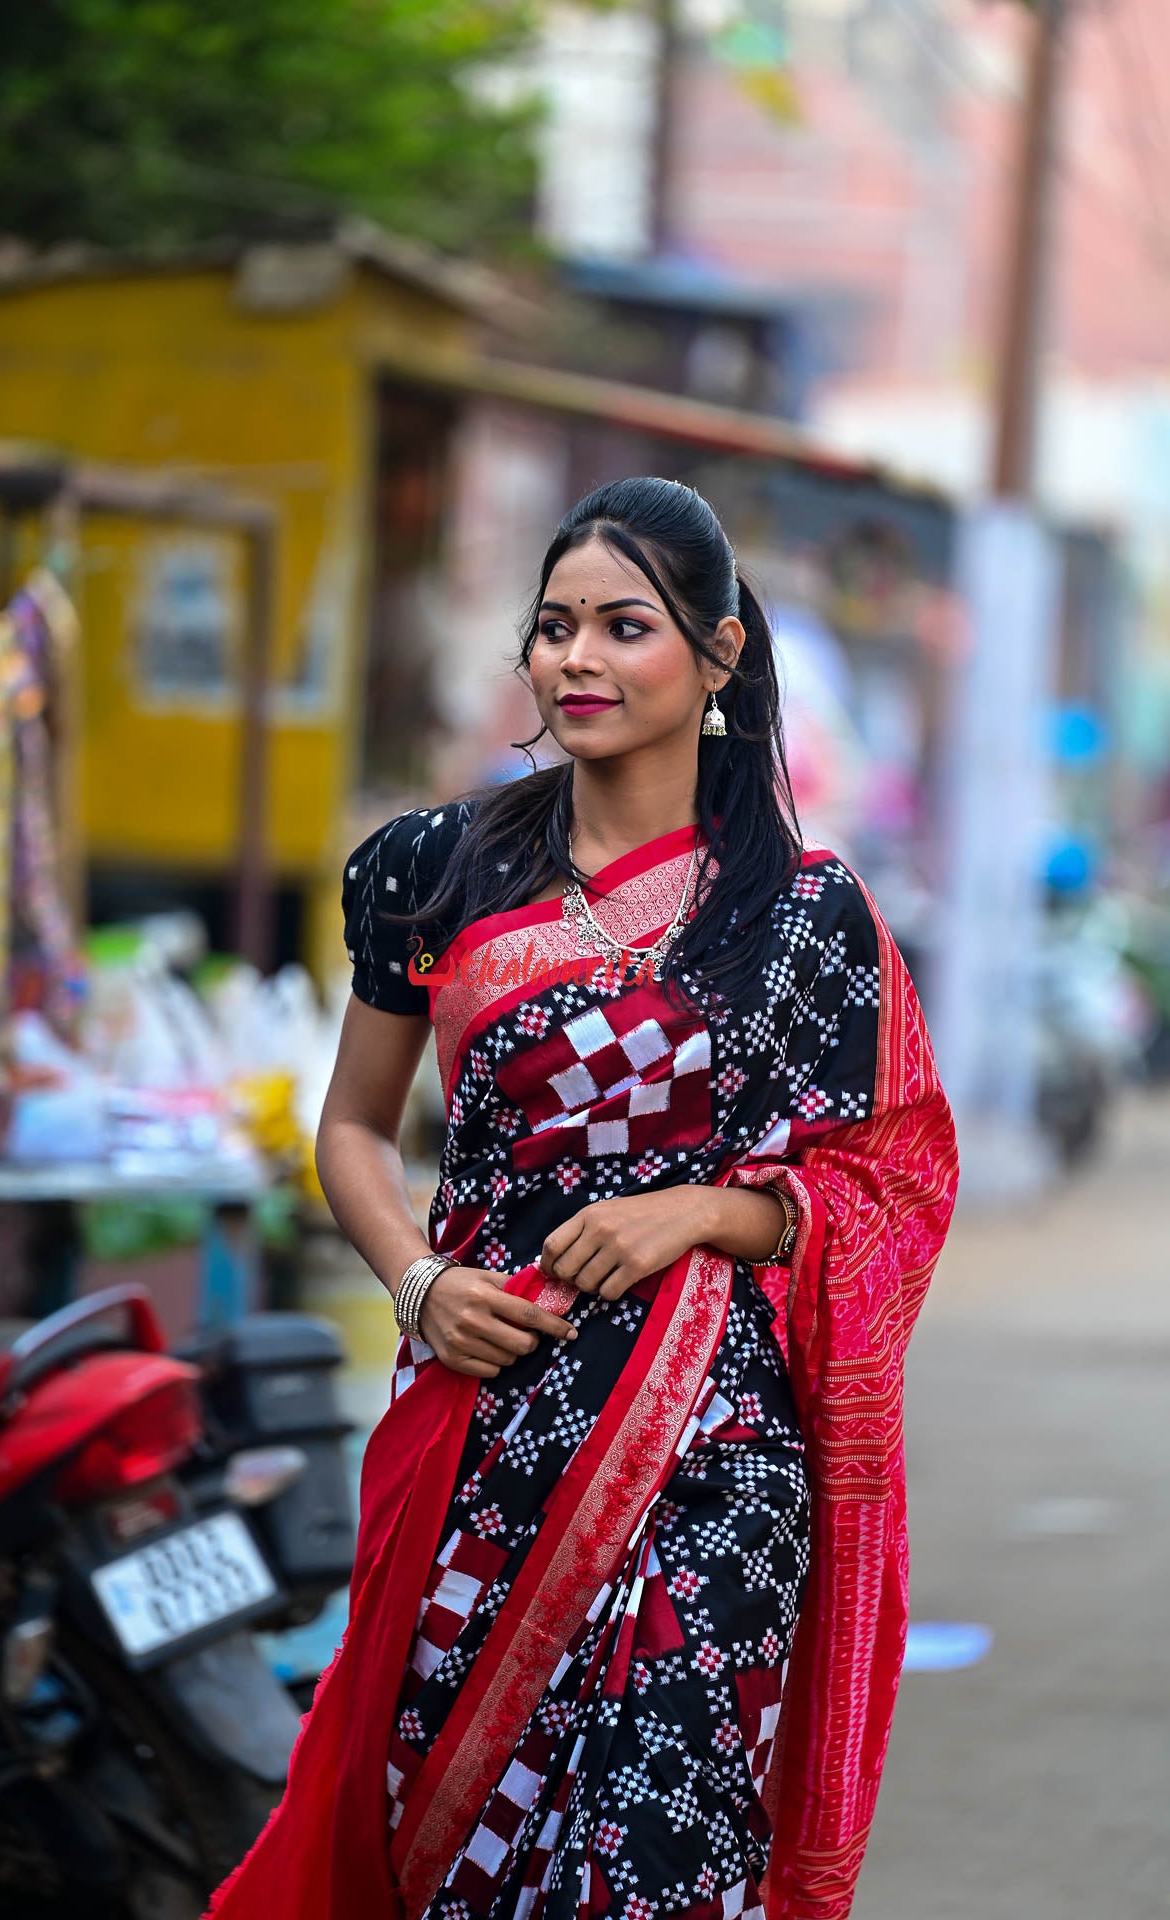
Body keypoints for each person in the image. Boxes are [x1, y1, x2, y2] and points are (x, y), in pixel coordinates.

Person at [207, 477, 960, 1920]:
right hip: (493, 1404)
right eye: (553, 629)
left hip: (718, 1441)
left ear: (719, 655)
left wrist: (701, 1214)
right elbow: (355, 1129)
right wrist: (415, 1283)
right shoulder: (435, 870)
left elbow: (890, 1184)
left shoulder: (807, 916)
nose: (577, 662)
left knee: (657, 1844)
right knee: (444, 1831)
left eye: (625, 627)